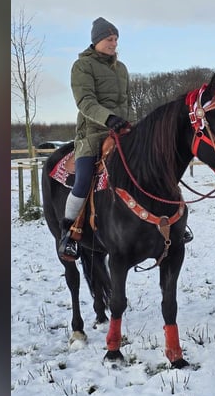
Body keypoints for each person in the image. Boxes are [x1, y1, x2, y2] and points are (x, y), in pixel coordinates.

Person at [58, 17, 191, 260]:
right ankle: (69, 232)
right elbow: (85, 101)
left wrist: (131, 126)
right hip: (92, 134)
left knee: (157, 167)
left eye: (116, 39)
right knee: (84, 179)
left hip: (123, 131)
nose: (113, 43)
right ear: (96, 41)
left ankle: (174, 220)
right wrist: (108, 119)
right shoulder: (82, 67)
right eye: (109, 39)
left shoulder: (121, 69)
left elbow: (127, 102)